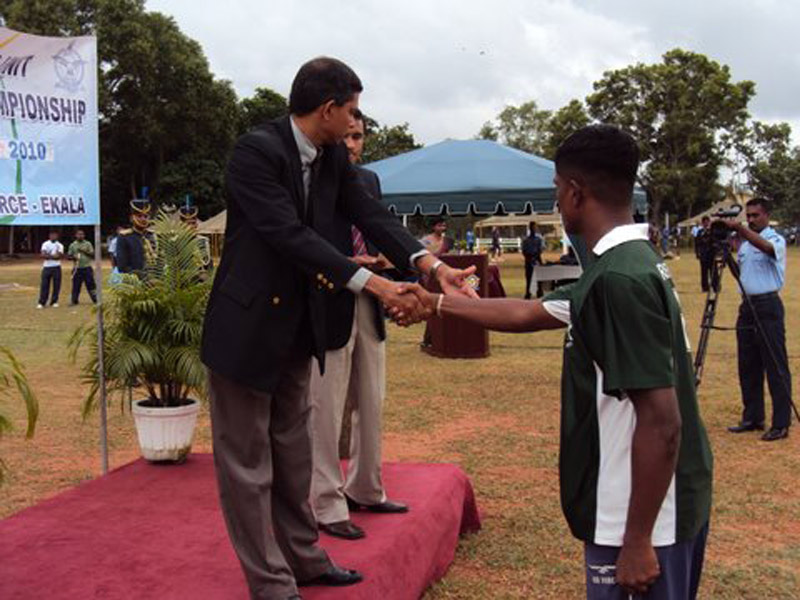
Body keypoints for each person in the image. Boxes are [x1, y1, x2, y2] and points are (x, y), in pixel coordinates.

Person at [396, 125, 713, 600]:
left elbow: (662, 421)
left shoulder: (619, 281)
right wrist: (435, 304)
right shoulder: (623, 264)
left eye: (556, 190)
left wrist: (638, 539)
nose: (556, 201)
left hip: (641, 514)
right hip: (648, 504)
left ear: (574, 192)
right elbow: (528, 310)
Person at [199, 57, 475, 600]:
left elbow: (370, 215)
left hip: (300, 330)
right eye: (351, 112)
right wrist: (373, 285)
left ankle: (304, 559)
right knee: (249, 466)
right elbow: (288, 236)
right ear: (327, 109)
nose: (355, 123)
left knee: (295, 455)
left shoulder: (330, 159)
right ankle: (272, 582)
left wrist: (433, 268)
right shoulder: (256, 152)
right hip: (246, 331)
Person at [308, 111, 407, 542]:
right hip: (328, 299)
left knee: (372, 399)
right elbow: (302, 241)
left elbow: (379, 228)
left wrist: (398, 269)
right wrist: (345, 263)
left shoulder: (368, 182)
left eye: (359, 137)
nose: (352, 144)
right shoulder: (309, 178)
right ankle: (325, 504)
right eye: (346, 136)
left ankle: (367, 487)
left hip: (370, 300)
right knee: (327, 408)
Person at [724, 198, 792, 441]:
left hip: (768, 305)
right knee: (748, 363)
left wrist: (740, 229)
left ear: (766, 216)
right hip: (748, 306)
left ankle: (781, 423)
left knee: (775, 364)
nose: (751, 220)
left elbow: (767, 249)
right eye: (748, 216)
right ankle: (753, 416)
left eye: (755, 216)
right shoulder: (743, 245)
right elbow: (742, 274)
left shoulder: (775, 239)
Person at [116, 200, 155, 276]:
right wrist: (143, 278)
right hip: (134, 283)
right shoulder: (124, 237)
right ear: (131, 218)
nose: (143, 219)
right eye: (139, 216)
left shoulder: (153, 236)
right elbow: (122, 267)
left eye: (146, 216)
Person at [67, 229, 97, 305]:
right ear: (76, 235)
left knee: (91, 284)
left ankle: (95, 299)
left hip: (87, 267)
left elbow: (92, 254)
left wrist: (83, 251)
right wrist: (73, 257)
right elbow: (68, 256)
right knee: (76, 285)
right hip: (77, 268)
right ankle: (74, 301)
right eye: (79, 234)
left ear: (84, 235)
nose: (80, 236)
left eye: (82, 234)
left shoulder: (88, 244)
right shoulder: (73, 245)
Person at [37, 231, 63, 309]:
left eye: (55, 235)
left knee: (56, 285)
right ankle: (42, 302)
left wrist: (48, 256)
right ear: (49, 236)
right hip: (46, 267)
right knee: (44, 285)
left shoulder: (60, 245)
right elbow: (43, 255)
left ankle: (54, 301)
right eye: (52, 235)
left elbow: (58, 256)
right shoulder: (45, 244)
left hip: (56, 267)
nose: (53, 236)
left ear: (57, 236)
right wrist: (52, 256)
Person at [522, 221, 544, 300]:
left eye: (535, 228)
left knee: (539, 278)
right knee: (528, 277)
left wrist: (536, 257)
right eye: (533, 228)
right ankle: (528, 293)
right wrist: (530, 257)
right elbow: (524, 251)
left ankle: (540, 292)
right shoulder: (526, 240)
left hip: (537, 259)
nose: (534, 229)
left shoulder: (538, 239)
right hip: (528, 260)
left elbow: (540, 250)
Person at [694, 216, 715, 293]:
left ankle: (715, 286)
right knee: (704, 272)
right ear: (702, 223)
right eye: (704, 222)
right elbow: (696, 243)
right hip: (703, 255)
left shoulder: (712, 231)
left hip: (711, 254)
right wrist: (697, 253)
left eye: (707, 222)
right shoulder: (700, 232)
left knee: (713, 272)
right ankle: (705, 287)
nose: (706, 223)